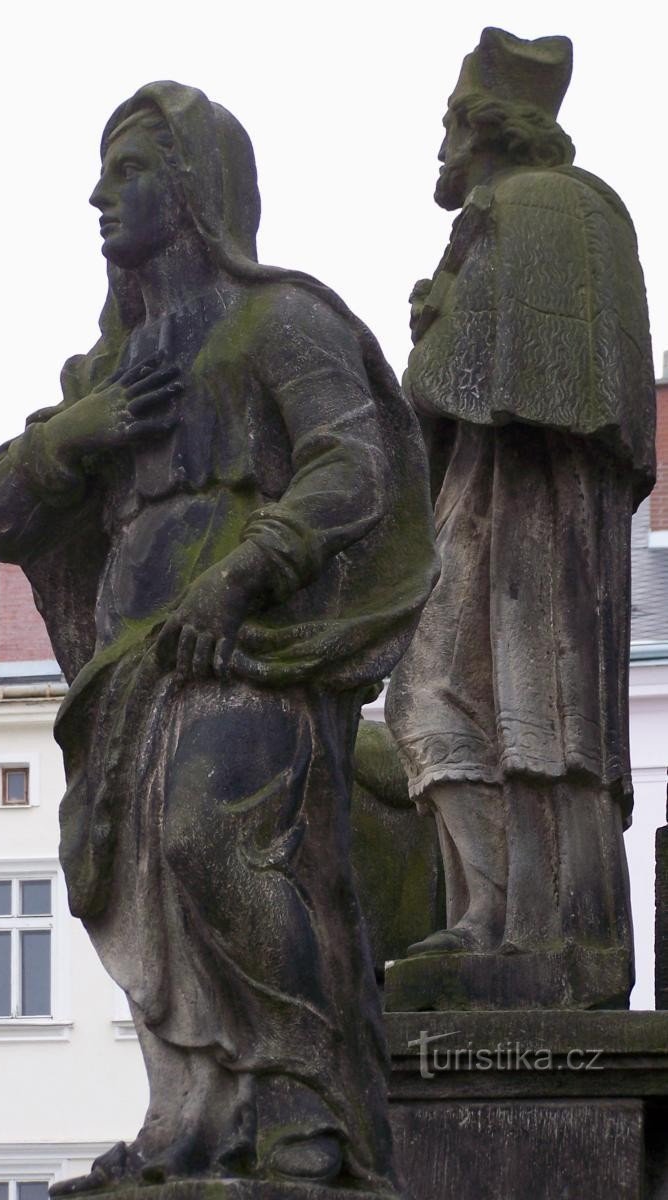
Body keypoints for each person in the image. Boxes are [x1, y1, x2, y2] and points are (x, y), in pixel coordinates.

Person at [0, 82, 437, 1192]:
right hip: (131, 665)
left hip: (249, 650)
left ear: (193, 188)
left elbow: (352, 465)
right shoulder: (106, 372)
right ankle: (193, 1120)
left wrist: (242, 574)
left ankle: (306, 1116)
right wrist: (67, 442)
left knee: (209, 843)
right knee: (143, 884)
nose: (99, 194)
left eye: (127, 169)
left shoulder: (282, 320)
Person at [386, 29, 655, 1008]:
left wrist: (431, 332)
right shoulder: (588, 215)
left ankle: (519, 926)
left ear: (480, 127)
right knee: (510, 706)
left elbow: (453, 385)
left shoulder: (516, 211)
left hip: (520, 513)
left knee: (470, 701)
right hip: (539, 505)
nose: (440, 148)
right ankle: (522, 923)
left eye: (447, 124)